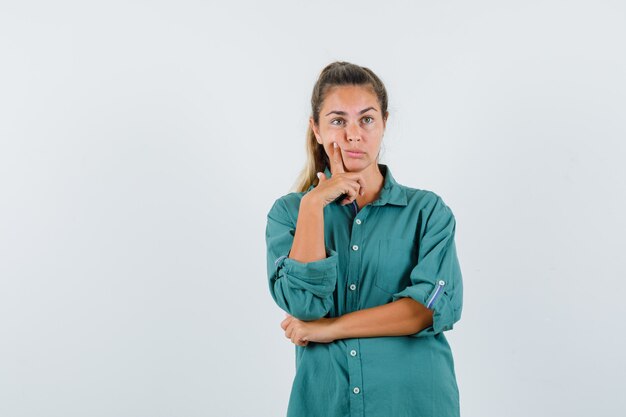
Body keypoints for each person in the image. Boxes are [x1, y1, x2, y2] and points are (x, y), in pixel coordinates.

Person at [265, 61, 464, 417]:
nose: (353, 134)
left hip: (413, 403)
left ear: (385, 122)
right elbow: (303, 306)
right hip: (326, 404)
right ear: (317, 129)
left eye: (367, 119)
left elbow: (425, 310)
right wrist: (314, 204)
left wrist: (329, 329)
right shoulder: (290, 214)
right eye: (338, 121)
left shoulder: (427, 211)